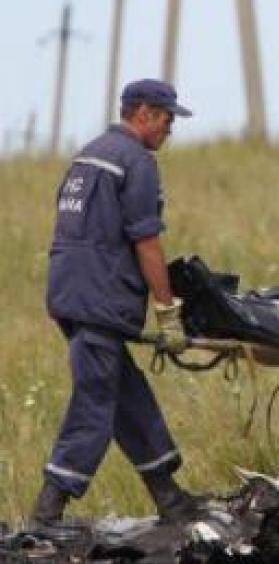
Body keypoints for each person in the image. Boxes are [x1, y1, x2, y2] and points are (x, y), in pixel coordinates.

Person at [31, 79, 201, 526]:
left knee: (127, 396)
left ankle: (168, 496)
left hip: (70, 293)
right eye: (167, 119)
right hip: (100, 298)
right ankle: (48, 510)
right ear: (143, 113)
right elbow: (146, 242)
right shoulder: (135, 162)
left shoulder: (88, 156)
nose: (170, 130)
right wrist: (168, 312)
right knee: (95, 403)